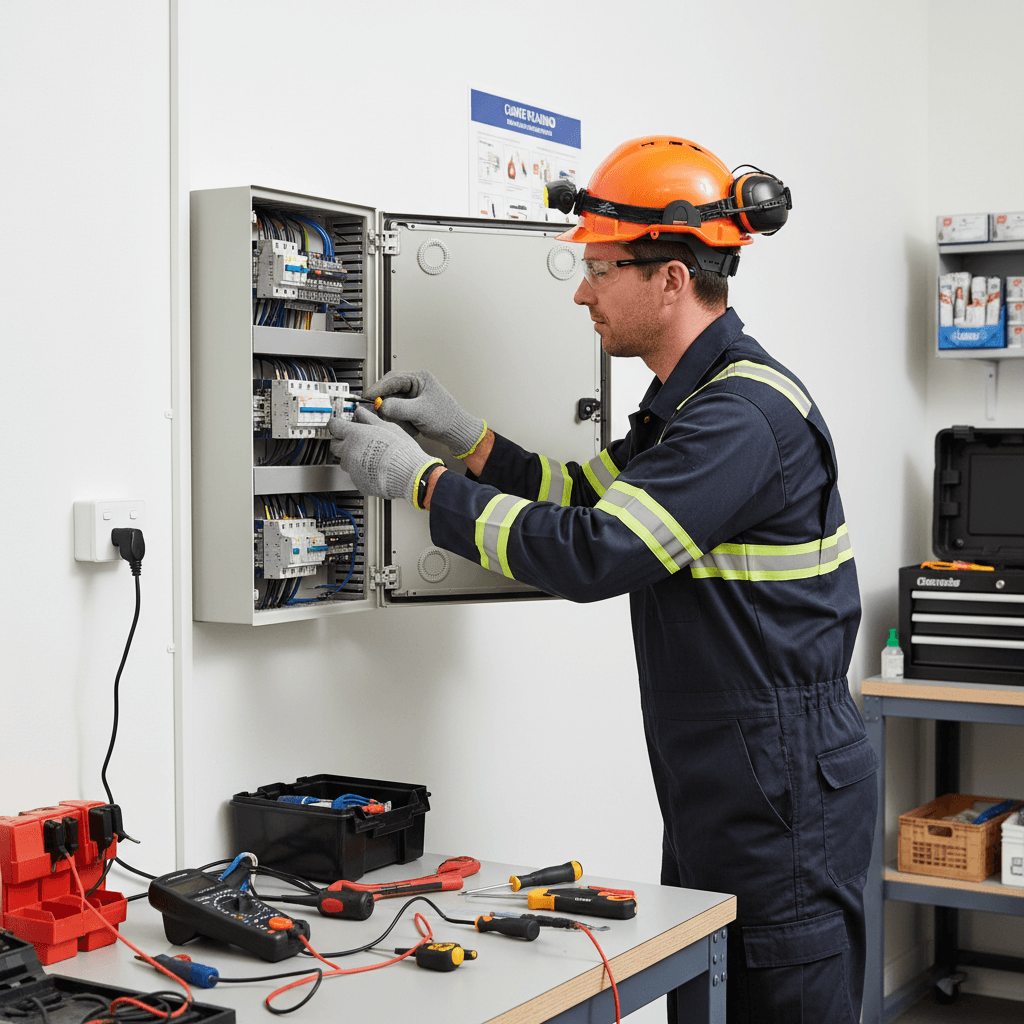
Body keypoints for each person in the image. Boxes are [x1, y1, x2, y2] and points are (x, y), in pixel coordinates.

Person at [328, 136, 878, 1024]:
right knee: (713, 999)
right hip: (732, 778)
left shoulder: (740, 419)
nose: (582, 290)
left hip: (783, 793)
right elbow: (585, 492)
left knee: (779, 1002)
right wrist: (466, 439)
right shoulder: (690, 406)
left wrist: (421, 486)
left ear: (669, 278)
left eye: (599, 267)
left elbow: (597, 551)